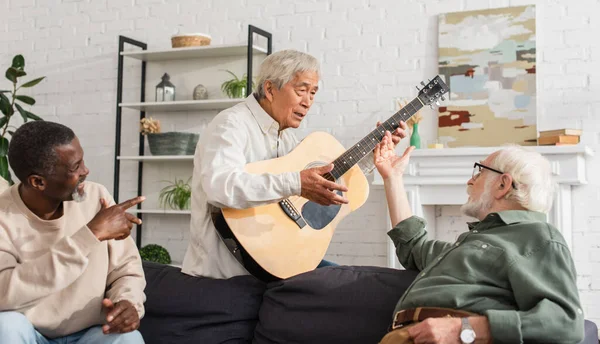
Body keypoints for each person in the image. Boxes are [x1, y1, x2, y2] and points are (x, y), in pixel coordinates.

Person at [182, 49, 408, 281]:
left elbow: (324, 181)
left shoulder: (287, 138)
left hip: (274, 264)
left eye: (313, 93)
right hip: (226, 273)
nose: (308, 102)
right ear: (270, 89)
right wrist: (296, 182)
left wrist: (372, 155)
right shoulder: (231, 125)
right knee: (345, 285)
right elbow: (220, 187)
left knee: (355, 281)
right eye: (302, 90)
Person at [374, 131, 584, 344]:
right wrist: (393, 178)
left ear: (503, 185)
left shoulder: (536, 236)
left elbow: (565, 323)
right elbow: (413, 245)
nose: (470, 180)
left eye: (479, 172)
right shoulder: (470, 246)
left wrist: (463, 329)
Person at [0, 121, 147, 343]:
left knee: (129, 339)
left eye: (82, 161)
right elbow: (4, 293)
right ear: (38, 182)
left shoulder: (97, 196)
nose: (85, 171)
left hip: (91, 334)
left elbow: (126, 268)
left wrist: (128, 302)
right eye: (75, 167)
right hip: (30, 334)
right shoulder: (3, 214)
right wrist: (90, 235)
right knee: (5, 327)